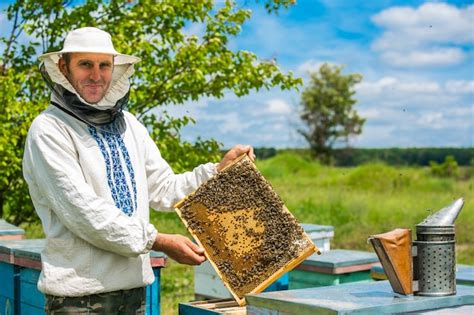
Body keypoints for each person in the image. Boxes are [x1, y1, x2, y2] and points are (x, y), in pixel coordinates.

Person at [22, 26, 254, 314]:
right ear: (63, 67)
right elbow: (84, 213)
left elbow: (164, 188)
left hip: (134, 296)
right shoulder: (49, 130)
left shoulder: (129, 125)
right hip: (79, 301)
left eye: (104, 65)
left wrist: (218, 171)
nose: (96, 75)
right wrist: (159, 241)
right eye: (85, 64)